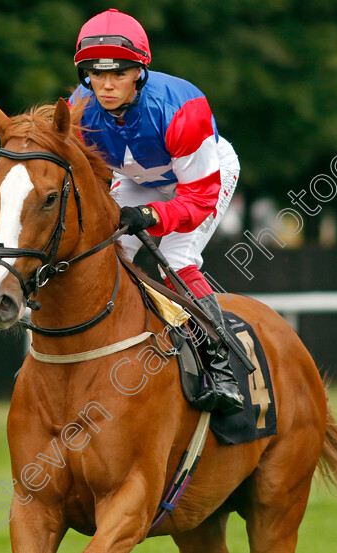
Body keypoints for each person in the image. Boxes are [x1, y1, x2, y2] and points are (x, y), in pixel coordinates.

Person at [70, 9, 244, 414]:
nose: (107, 86)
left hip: (200, 177)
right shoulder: (79, 112)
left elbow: (199, 199)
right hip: (138, 178)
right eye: (97, 74)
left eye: (119, 74)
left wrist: (150, 216)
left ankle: (221, 367)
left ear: (139, 73)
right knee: (102, 256)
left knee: (178, 259)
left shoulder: (182, 109)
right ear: (86, 75)